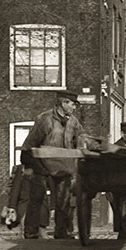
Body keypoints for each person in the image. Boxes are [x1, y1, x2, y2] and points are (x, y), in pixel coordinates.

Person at [19, 90, 91, 240]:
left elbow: (81, 138)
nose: (74, 108)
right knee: (37, 198)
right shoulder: (45, 120)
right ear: (63, 103)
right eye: (72, 104)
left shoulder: (73, 122)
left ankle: (61, 232)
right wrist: (30, 165)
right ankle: (31, 232)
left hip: (63, 167)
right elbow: (29, 144)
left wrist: (87, 143)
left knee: (63, 201)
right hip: (42, 166)